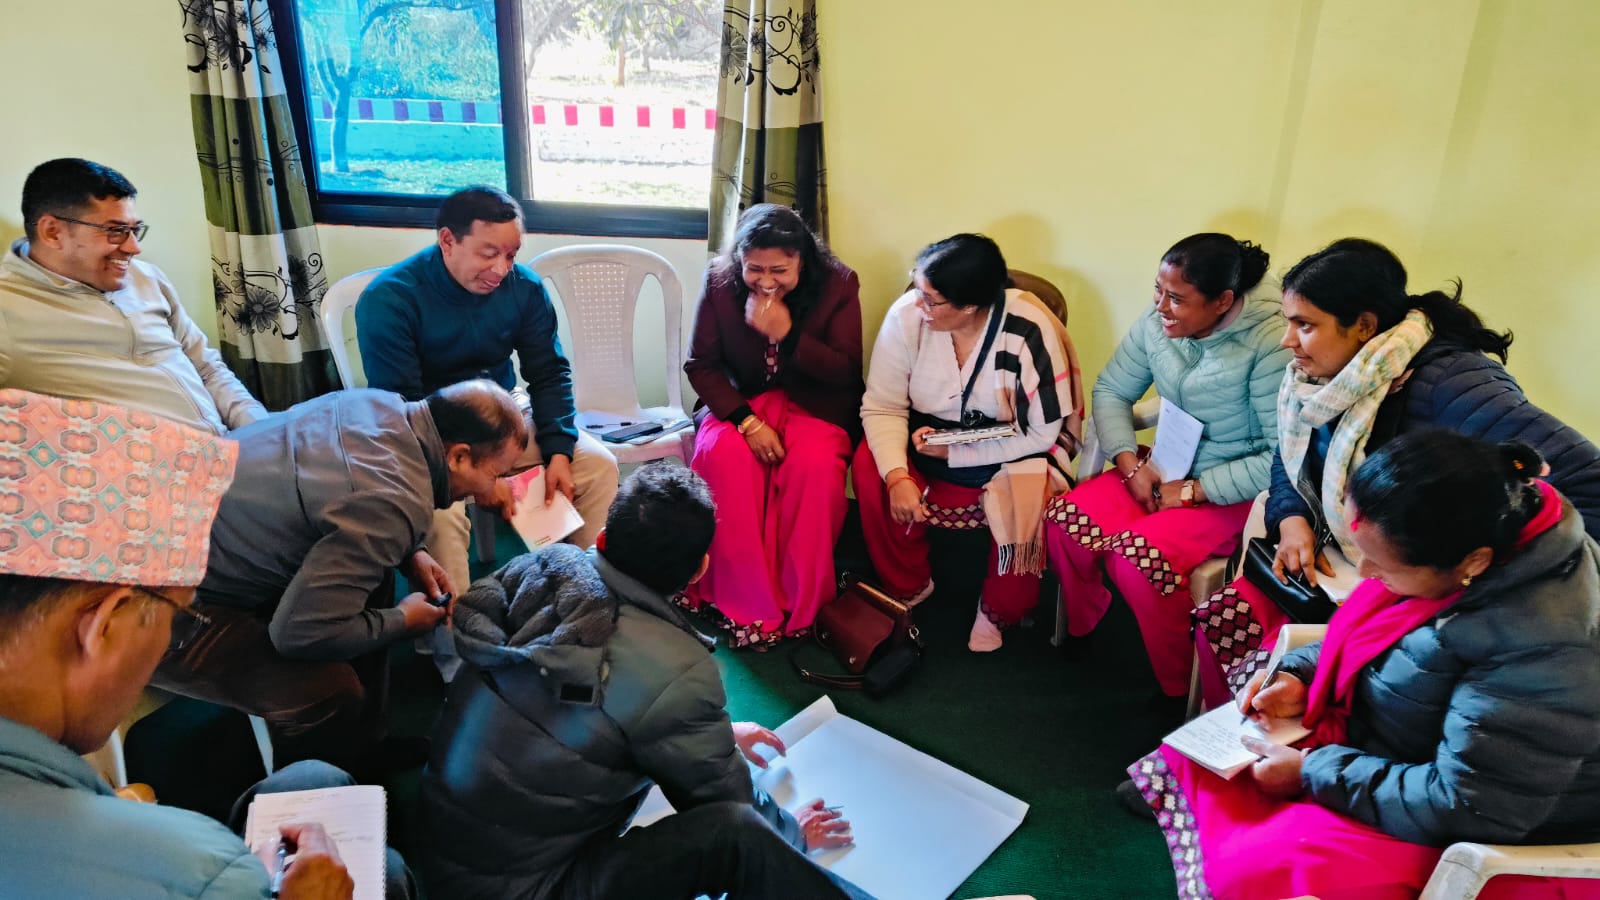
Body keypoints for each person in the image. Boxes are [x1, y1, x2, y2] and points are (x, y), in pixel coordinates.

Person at [1129, 430, 1600, 900]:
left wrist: (1312, 772)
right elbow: (1375, 640)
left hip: (1484, 816)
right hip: (1406, 745)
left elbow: (1469, 804)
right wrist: (1300, 676)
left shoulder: (1543, 647)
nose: (1365, 575)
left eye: (1381, 565)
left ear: (1473, 563)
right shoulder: (1469, 545)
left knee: (1267, 862)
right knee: (1215, 751)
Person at [0, 387, 414, 899]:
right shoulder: (200, 871)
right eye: (181, 616)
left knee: (310, 777)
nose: (175, 633)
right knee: (389, 872)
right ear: (103, 626)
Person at [419, 464, 872, 900]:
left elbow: (569, 707)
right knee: (737, 834)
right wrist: (791, 832)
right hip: (532, 888)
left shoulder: (539, 568)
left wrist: (719, 735)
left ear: (603, 536)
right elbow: (724, 794)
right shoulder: (672, 665)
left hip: (442, 848)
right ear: (698, 571)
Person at [1196, 238, 1600, 700]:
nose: (1287, 341)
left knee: (1271, 684)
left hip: (1407, 595)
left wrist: (1460, 583)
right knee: (1220, 625)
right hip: (1339, 567)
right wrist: (1291, 518)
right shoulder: (1318, 379)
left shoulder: (1452, 386)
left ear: (1364, 327)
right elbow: (1291, 454)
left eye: (1304, 325)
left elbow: (1588, 485)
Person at [151, 380, 528, 765]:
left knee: (374, 579)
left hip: (194, 539)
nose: (494, 488)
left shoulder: (379, 404)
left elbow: (350, 503)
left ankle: (365, 748)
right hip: (163, 603)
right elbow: (297, 635)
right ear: (460, 457)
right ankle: (319, 784)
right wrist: (403, 621)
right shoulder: (392, 501)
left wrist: (411, 551)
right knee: (331, 692)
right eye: (497, 474)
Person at [356, 185, 619, 617]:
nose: (501, 269)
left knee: (597, 465)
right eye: (488, 253)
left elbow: (549, 373)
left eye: (511, 255)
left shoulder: (525, 287)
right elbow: (403, 411)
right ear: (447, 240)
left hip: (503, 413)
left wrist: (558, 451)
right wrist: (480, 479)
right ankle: (454, 639)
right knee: (439, 516)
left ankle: (589, 608)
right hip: (429, 433)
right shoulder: (390, 299)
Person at [1044, 233, 1288, 696]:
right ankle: (1085, 618)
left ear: (1223, 301)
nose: (1161, 306)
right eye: (1158, 290)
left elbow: (1282, 458)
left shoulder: (1270, 342)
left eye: (1176, 298)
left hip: (1233, 492)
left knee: (1137, 562)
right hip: (1165, 467)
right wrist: (1129, 462)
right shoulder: (1160, 319)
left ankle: (1176, 681)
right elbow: (1112, 390)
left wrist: (1196, 490)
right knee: (1064, 522)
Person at [855, 234, 1083, 652]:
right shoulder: (907, 316)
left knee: (1028, 487)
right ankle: (908, 582)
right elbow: (883, 406)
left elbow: (1041, 433)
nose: (917, 305)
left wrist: (959, 449)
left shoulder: (1030, 328)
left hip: (1015, 442)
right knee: (870, 464)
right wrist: (897, 476)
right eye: (917, 288)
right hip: (928, 435)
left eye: (931, 300)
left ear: (970, 306)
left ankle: (999, 608)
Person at [680, 203, 865, 647]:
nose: (766, 282)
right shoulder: (718, 279)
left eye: (780, 270)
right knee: (724, 455)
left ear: (803, 260)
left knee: (813, 468)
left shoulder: (839, 283)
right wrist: (746, 421)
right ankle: (738, 597)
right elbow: (700, 364)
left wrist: (790, 334)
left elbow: (845, 370)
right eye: (754, 269)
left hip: (816, 404)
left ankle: (802, 602)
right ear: (739, 260)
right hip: (740, 402)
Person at [0, 158, 267, 434]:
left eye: (135, 230)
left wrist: (260, 428)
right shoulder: (8, 308)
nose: (134, 248)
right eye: (116, 231)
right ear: (52, 232)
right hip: (151, 461)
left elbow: (207, 369)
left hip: (234, 445)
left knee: (299, 425)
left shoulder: (147, 277)